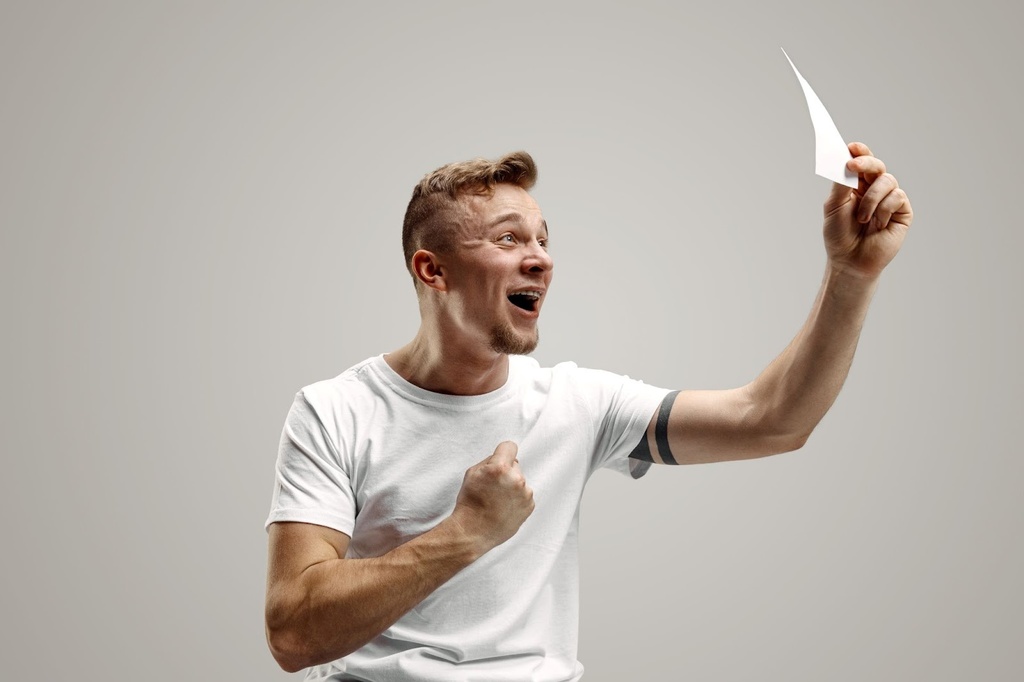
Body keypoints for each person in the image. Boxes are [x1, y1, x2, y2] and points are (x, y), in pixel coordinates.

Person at [264, 145, 913, 680]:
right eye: (509, 237)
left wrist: (850, 276)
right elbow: (292, 634)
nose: (541, 258)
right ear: (433, 271)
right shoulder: (335, 411)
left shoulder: (579, 404)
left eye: (544, 239)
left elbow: (772, 419)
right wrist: (466, 534)